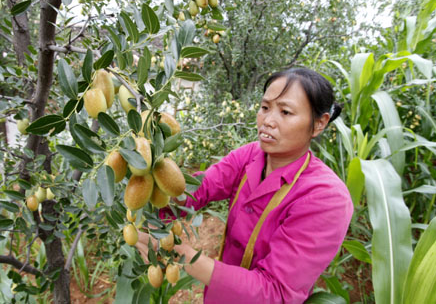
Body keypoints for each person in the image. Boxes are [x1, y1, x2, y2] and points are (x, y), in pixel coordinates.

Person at [137, 67, 353, 303]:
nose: (268, 121)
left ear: (319, 123)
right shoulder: (250, 155)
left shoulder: (326, 197)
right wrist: (148, 174)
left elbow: (276, 292)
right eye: (265, 108)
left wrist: (182, 255)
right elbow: (200, 188)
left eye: (286, 112)